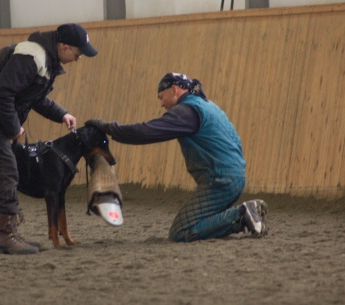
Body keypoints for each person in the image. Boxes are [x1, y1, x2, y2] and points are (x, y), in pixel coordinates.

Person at [0, 23, 98, 254]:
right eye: (78, 54)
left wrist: (62, 114)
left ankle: (7, 232)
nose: (78, 59)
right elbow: (1, 93)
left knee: (6, 165)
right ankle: (4, 236)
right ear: (65, 47)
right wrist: (13, 128)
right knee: (4, 167)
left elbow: (34, 97)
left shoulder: (44, 59)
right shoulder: (33, 57)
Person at [85, 73, 268, 242]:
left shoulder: (187, 112)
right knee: (200, 221)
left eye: (161, 97)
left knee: (181, 231)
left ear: (174, 90)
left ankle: (242, 214)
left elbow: (147, 132)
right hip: (235, 176)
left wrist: (109, 128)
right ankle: (246, 214)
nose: (161, 104)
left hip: (220, 180)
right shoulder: (208, 106)